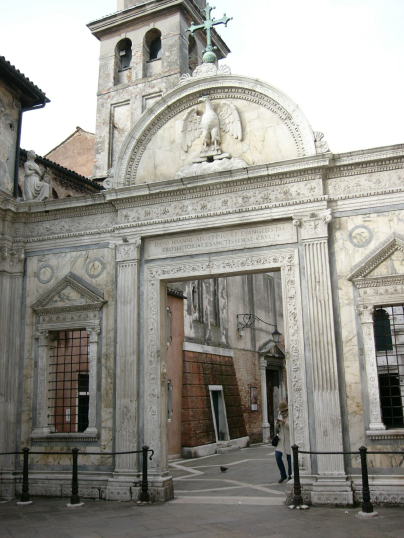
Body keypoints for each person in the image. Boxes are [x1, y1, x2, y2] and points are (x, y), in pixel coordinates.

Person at [275, 400, 291, 483]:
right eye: (280, 411)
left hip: (288, 439)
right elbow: (276, 427)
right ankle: (283, 475)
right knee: (277, 456)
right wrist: (277, 423)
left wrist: (285, 422)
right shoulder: (279, 415)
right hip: (281, 439)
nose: (281, 412)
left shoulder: (290, 415)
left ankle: (290, 476)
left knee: (289, 458)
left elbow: (292, 426)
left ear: (285, 410)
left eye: (282, 411)